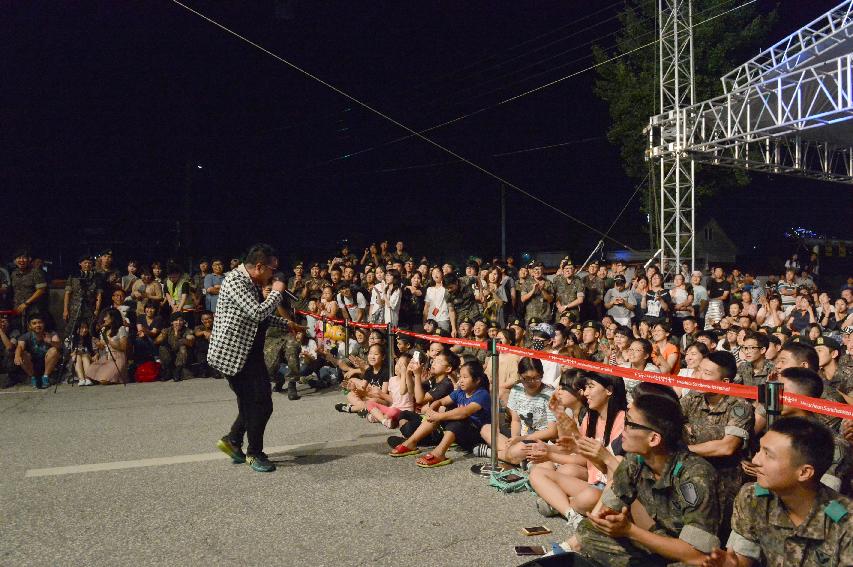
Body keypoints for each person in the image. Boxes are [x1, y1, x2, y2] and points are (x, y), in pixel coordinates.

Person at [572, 393, 721, 566]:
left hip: (693, 554)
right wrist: (609, 521)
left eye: (630, 424)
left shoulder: (695, 475)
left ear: (653, 439)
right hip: (657, 540)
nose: (623, 430)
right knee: (587, 531)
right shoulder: (635, 459)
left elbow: (696, 553)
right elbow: (608, 509)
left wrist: (630, 531)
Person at [706, 417, 853, 567]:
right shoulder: (752, 498)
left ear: (804, 472)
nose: (756, 461)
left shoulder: (846, 524)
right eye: (759, 450)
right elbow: (744, 557)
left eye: (768, 455)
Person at [209, 243, 295, 473]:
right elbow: (258, 312)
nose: (273, 276)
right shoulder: (236, 281)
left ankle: (233, 441)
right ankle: (254, 453)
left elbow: (258, 317)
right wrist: (277, 290)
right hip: (235, 355)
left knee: (251, 403)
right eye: (271, 271)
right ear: (259, 266)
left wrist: (287, 323)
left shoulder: (249, 281)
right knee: (261, 404)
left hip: (249, 352)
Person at [681, 350, 753, 536]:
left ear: (725, 382)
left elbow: (727, 446)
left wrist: (683, 449)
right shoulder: (693, 398)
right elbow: (667, 420)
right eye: (698, 371)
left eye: (707, 373)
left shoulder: (739, 406)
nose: (699, 377)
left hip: (723, 484)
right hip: (690, 476)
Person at [389, 359, 491, 469]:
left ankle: (439, 453)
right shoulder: (460, 392)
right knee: (437, 414)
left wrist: (438, 416)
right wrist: (432, 409)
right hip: (460, 435)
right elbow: (441, 401)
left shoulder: (482, 394)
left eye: (465, 377)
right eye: (460, 376)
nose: (461, 380)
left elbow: (464, 412)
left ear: (477, 380)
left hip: (476, 436)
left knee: (458, 419)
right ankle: (411, 443)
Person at [13, 315, 60, 389]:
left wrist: (50, 341)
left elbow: (59, 346)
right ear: (30, 326)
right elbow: (20, 347)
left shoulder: (51, 333)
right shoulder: (25, 336)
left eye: (40, 322)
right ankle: (33, 378)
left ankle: (45, 377)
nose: (37, 325)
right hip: (32, 364)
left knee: (54, 350)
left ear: (43, 324)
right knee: (22, 354)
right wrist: (17, 355)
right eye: (34, 323)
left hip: (47, 364)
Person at [85, 308, 129, 385]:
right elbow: (102, 347)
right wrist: (98, 343)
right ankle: (105, 376)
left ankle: (114, 376)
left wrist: (108, 340)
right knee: (89, 373)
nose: (104, 319)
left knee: (104, 380)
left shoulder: (121, 329)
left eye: (106, 316)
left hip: (118, 358)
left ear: (113, 318)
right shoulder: (104, 329)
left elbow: (123, 347)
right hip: (107, 357)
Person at [63, 255, 102, 333]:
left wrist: (97, 309)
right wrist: (65, 310)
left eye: (89, 263)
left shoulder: (97, 277)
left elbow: (99, 294)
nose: (87, 265)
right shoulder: (73, 276)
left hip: (90, 308)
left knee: (91, 330)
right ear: (80, 264)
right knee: (71, 330)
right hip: (75, 309)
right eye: (85, 263)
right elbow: (67, 294)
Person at [69, 321, 95, 386]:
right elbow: (68, 354)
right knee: (78, 356)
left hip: (88, 359)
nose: (84, 330)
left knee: (84, 356)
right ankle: (82, 379)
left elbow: (95, 353)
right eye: (82, 328)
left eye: (86, 328)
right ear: (77, 329)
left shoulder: (91, 338)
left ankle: (87, 378)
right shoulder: (71, 339)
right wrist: (75, 352)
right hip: (75, 361)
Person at [192, 311, 215, 377]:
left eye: (209, 318)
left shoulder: (217, 326)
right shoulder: (199, 327)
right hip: (202, 351)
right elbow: (197, 333)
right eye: (205, 319)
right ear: (202, 320)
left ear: (213, 319)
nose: (207, 321)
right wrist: (204, 332)